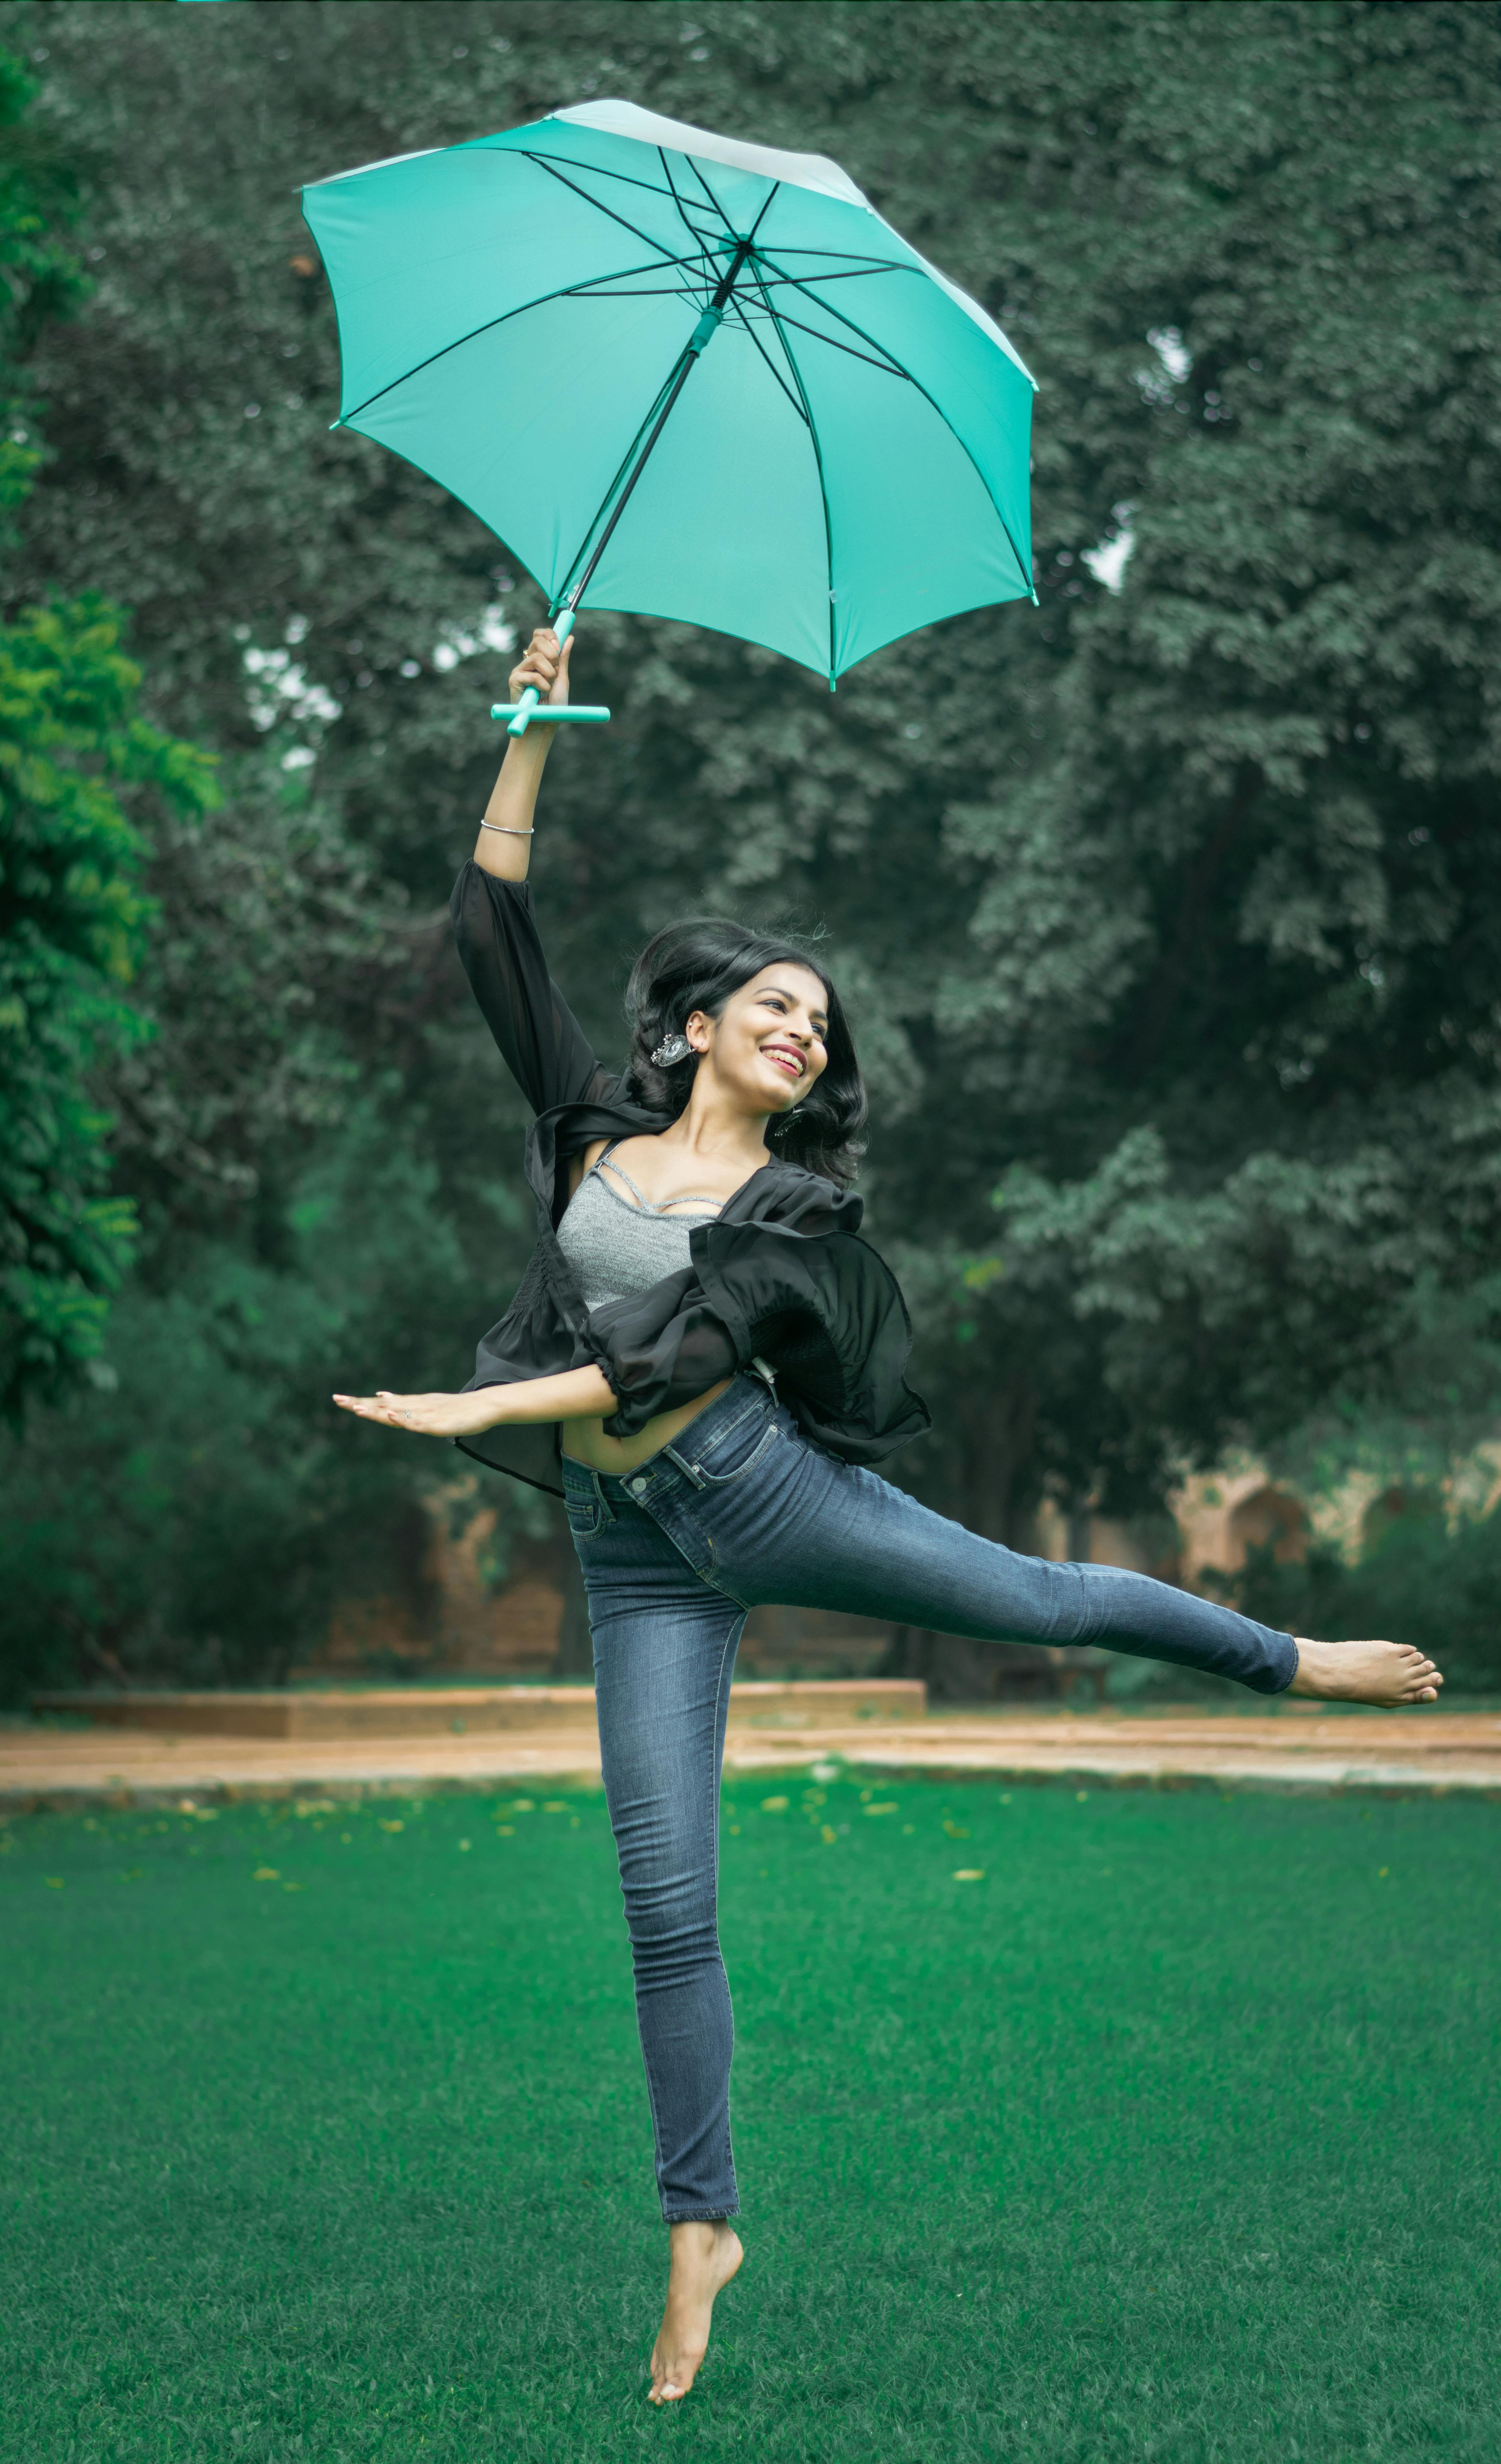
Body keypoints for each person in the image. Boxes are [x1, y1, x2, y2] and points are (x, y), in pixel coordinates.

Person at [335, 627, 1443, 2405]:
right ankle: (703, 2225)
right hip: (632, 1559)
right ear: (696, 1026)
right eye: (775, 1002)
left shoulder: (797, 1215)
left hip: (765, 1496)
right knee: (661, 1898)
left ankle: (1283, 1655)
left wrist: (472, 1404)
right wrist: (529, 725)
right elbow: (488, 922)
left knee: (1049, 1598)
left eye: (821, 1023)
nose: (802, 1027)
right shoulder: (588, 1125)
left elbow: (666, 1357)